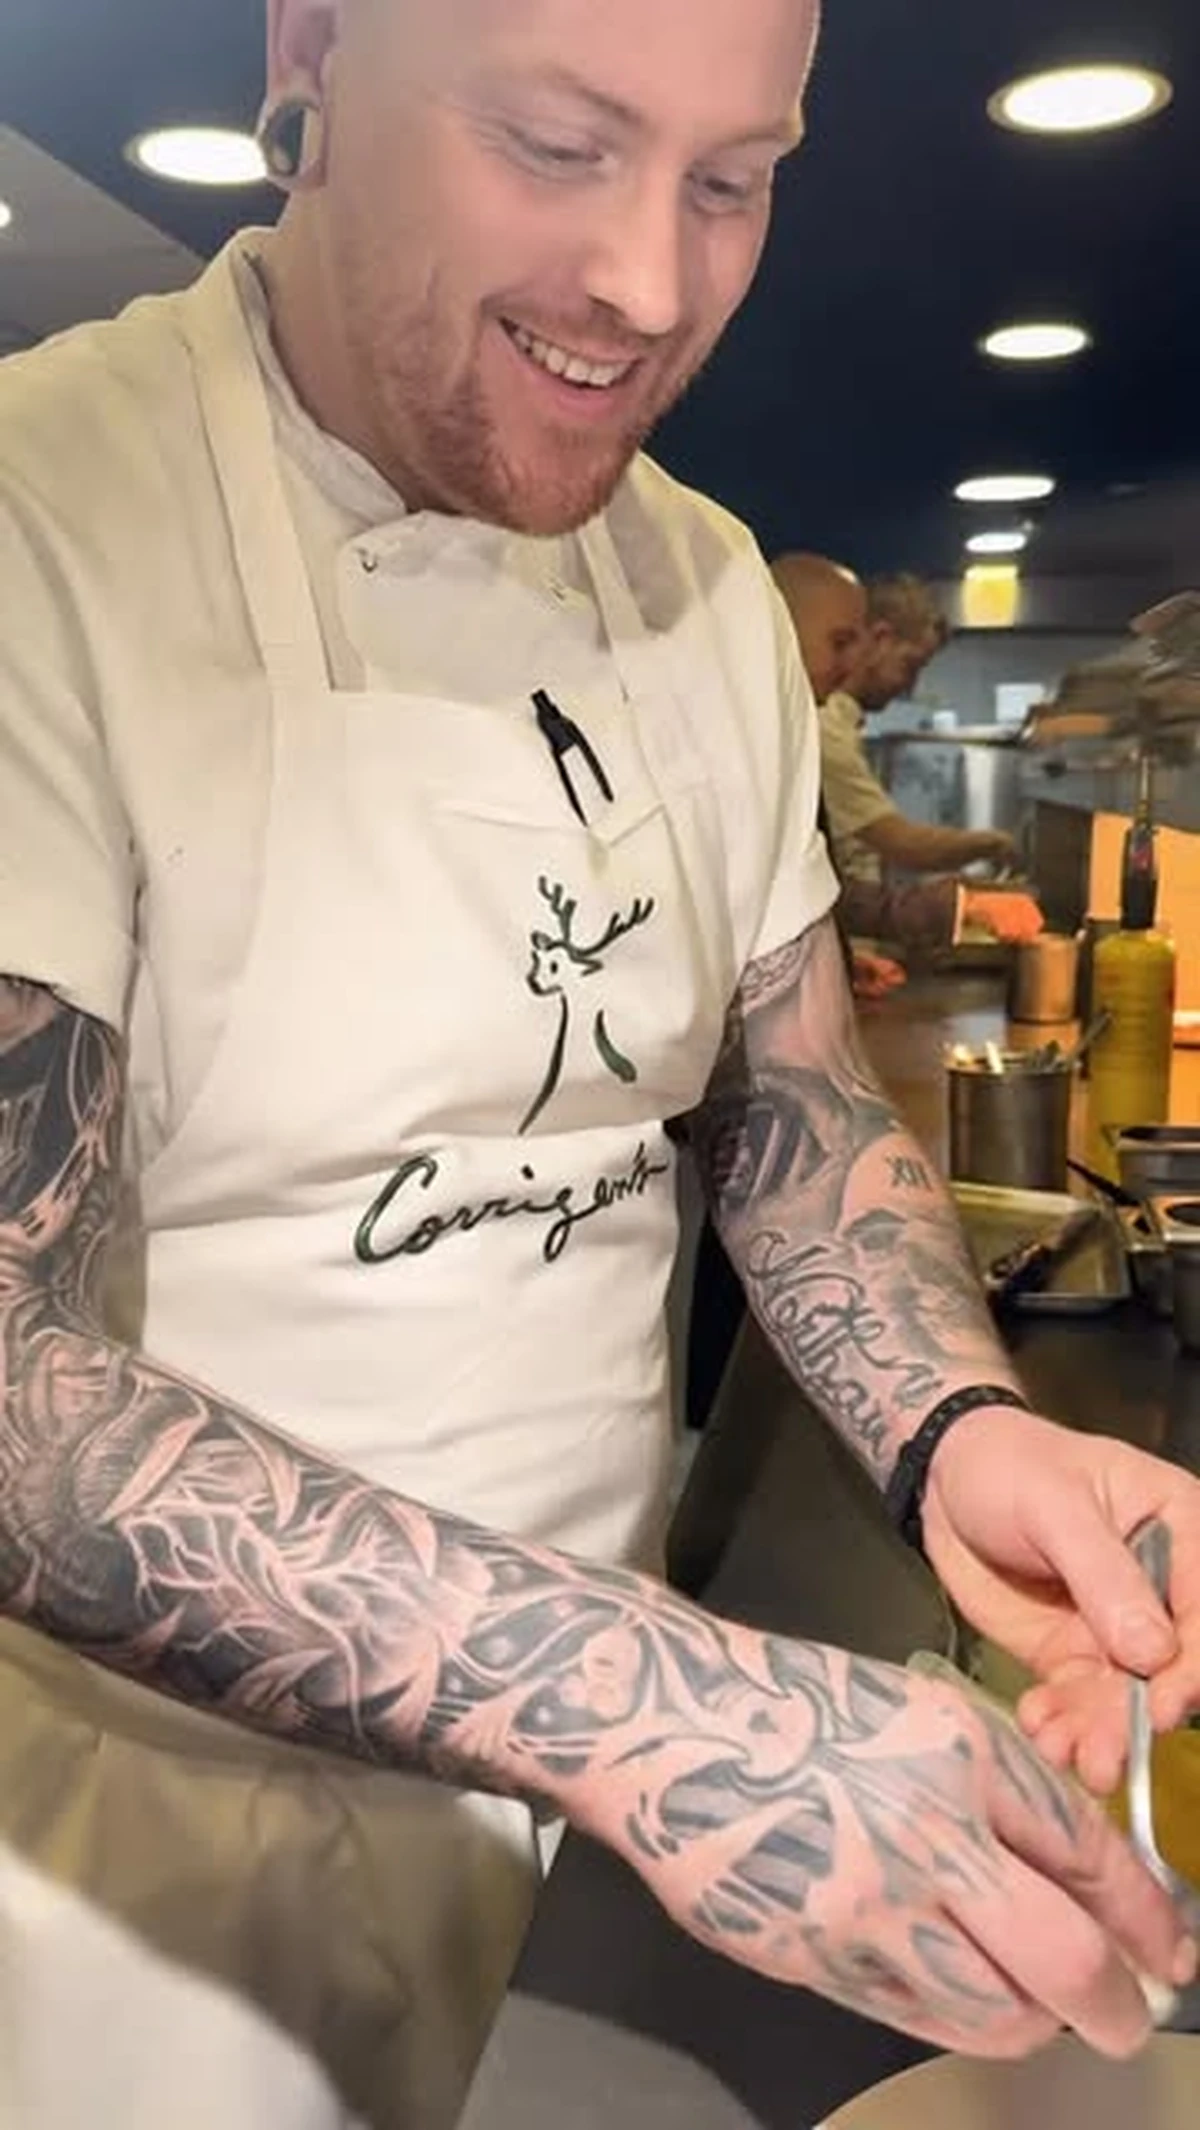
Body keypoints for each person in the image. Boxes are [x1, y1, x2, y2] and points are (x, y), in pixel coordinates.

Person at [1, 5, 1199, 2127]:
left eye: (733, 181)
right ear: (315, 48)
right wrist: (646, 1704)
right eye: (556, 144)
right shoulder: (45, 518)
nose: (651, 284)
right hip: (143, 1860)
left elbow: (791, 1096)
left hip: (602, 1819)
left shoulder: (704, 580)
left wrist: (952, 1431)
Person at [770, 554, 1042, 993]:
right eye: (840, 643)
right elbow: (896, 845)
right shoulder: (812, 731)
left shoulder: (800, 726)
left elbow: (800, 887)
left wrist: (843, 959)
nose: (850, 664)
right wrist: (959, 894)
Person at [809, 566, 1020, 887]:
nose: (910, 686)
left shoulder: (842, 724)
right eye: (910, 665)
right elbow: (903, 844)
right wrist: (994, 843)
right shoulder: (826, 727)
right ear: (880, 639)